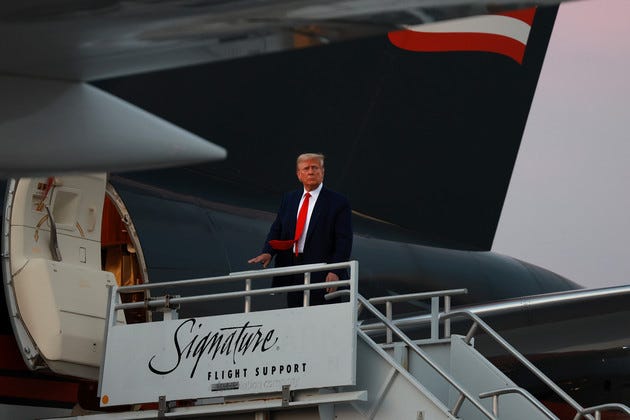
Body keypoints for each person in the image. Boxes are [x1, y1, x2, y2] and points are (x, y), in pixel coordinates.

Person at [248, 153, 353, 307]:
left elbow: (344, 240)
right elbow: (277, 228)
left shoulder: (338, 202)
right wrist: (268, 251)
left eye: (315, 168)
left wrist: (335, 271)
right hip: (294, 267)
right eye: (306, 168)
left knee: (324, 319)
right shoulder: (289, 199)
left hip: (323, 270)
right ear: (299, 175)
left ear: (322, 172)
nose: (311, 172)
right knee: (295, 314)